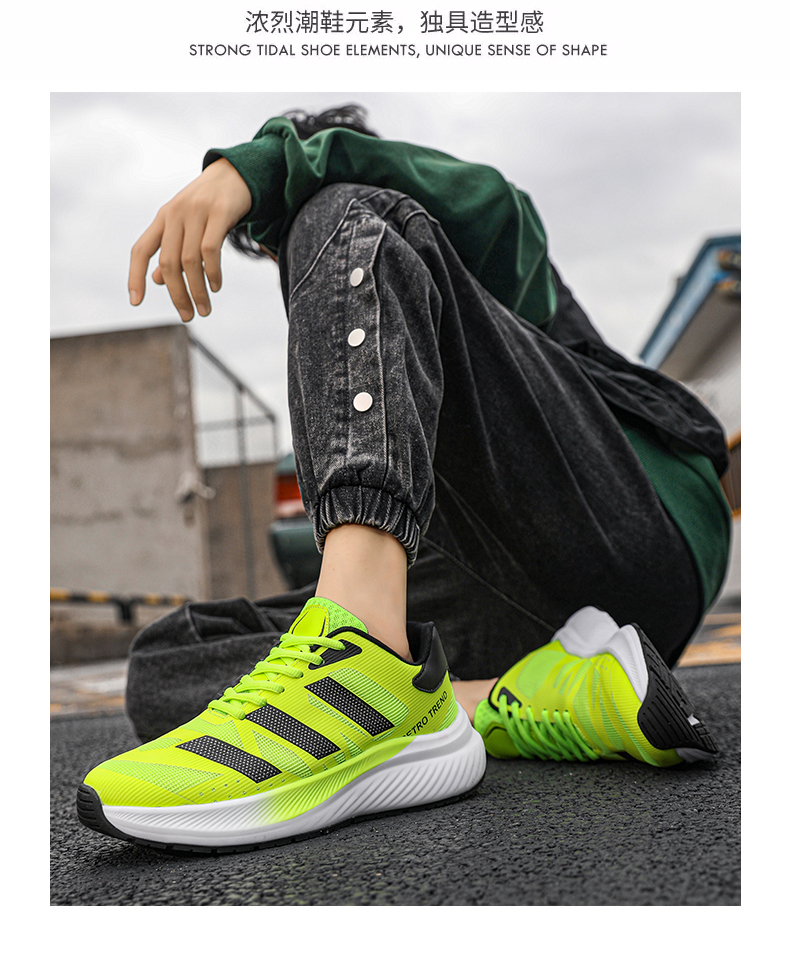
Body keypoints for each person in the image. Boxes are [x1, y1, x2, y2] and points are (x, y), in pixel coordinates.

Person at [77, 105, 729, 852]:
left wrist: (266, 170)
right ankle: (515, 700)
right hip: (503, 606)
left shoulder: (467, 233)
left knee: (346, 215)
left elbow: (486, 197)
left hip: (633, 521)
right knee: (166, 663)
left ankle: (362, 653)